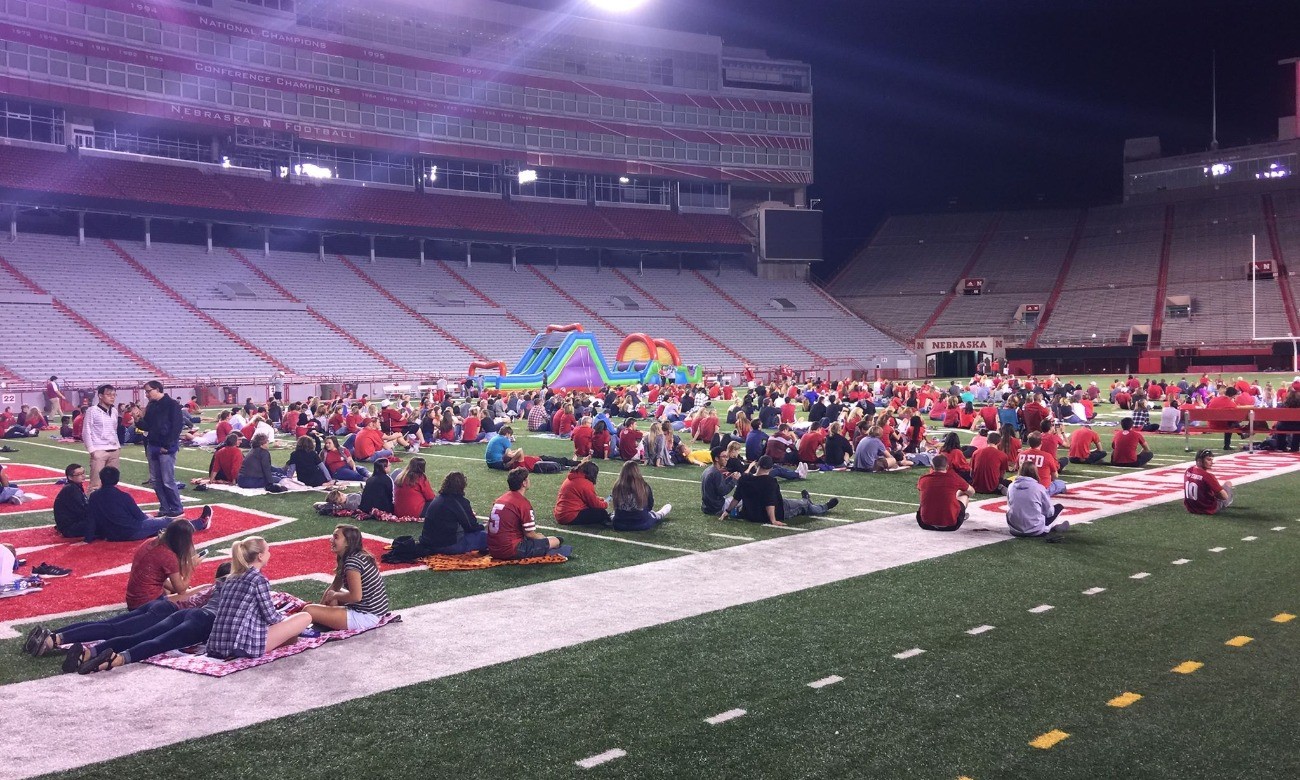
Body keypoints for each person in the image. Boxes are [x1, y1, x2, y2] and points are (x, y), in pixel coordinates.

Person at [39, 562, 234, 674]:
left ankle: (83, 650)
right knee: (156, 642)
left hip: (173, 609)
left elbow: (183, 594)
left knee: (121, 630)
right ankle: (115, 660)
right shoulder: (242, 586)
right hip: (191, 616)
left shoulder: (213, 587)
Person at [204, 536, 312, 659]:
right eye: (268, 551)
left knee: (289, 634)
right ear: (260, 556)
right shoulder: (258, 580)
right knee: (305, 617)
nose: (269, 554)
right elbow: (271, 617)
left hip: (216, 644)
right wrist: (286, 618)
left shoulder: (230, 579)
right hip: (243, 645)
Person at [87, 467, 212, 542]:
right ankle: (201, 523)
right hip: (131, 531)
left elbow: (91, 518)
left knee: (158, 525)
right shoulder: (123, 496)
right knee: (168, 521)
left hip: (111, 534)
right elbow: (140, 518)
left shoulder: (93, 496)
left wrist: (87, 539)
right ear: (117, 479)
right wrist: (149, 517)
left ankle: (159, 530)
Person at [302, 524, 390, 631]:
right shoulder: (352, 556)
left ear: (347, 542)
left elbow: (356, 597)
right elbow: (334, 586)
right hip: (372, 611)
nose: (331, 540)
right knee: (329, 602)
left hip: (366, 616)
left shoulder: (352, 562)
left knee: (308, 611)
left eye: (336, 537)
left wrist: (334, 596)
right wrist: (322, 607)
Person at [487, 468, 572, 559]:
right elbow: (530, 534)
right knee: (557, 540)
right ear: (524, 483)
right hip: (511, 549)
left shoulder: (500, 499)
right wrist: (542, 538)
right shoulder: (521, 503)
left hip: (493, 549)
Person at [733, 456, 837, 527]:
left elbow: (736, 497)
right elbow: (770, 502)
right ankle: (823, 506)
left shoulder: (744, 479)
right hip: (778, 510)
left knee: (795, 502)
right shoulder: (770, 481)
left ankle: (806, 500)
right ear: (770, 468)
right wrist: (773, 520)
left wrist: (727, 511)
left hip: (751, 515)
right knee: (805, 506)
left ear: (757, 465)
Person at [136, 380, 186, 519]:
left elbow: (177, 427)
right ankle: (164, 507)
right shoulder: (151, 406)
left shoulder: (172, 404)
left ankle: (176, 508)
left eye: (148, 391)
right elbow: (147, 426)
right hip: (152, 445)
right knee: (156, 480)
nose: (146, 394)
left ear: (157, 389)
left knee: (167, 479)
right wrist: (137, 419)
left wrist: (168, 446)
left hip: (165, 446)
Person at [124, 519, 198, 610]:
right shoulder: (168, 555)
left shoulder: (150, 541)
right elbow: (181, 590)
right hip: (148, 605)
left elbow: (156, 577)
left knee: (170, 585)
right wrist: (191, 567)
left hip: (133, 602)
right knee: (202, 591)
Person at [419, 472, 488, 554]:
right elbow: (471, 527)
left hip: (429, 543)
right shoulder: (460, 502)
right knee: (486, 536)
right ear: (463, 485)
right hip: (447, 546)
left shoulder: (437, 499)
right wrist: (483, 526)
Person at [1005, 461, 1069, 539]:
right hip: (1035, 530)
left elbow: (1010, 505)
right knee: (1059, 507)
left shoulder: (1011, 486)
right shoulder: (1039, 488)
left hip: (1014, 529)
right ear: (1035, 472)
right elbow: (1049, 512)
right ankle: (1052, 527)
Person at [914, 454, 974, 532]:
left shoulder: (923, 479)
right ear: (947, 467)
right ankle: (959, 514)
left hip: (925, 523)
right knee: (964, 495)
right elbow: (971, 491)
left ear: (932, 467)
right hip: (951, 525)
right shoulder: (953, 478)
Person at [610, 461, 671, 531]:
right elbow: (650, 506)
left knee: (614, 514)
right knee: (655, 515)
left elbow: (615, 506)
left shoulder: (617, 487)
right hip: (641, 524)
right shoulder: (644, 486)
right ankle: (662, 512)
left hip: (619, 524)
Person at [83, 384, 120, 491]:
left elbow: (114, 429)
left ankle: (109, 506)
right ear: (100, 396)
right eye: (108, 394)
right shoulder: (92, 410)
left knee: (112, 484)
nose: (112, 397)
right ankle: (92, 506)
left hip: (114, 450)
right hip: (99, 451)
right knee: (96, 484)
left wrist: (117, 447)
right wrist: (92, 451)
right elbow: (86, 431)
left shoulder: (114, 411)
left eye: (114, 395)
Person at [554, 460, 612, 526]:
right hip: (569, 516)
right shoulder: (585, 483)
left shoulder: (572, 478)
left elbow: (583, 497)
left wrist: (598, 499)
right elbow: (595, 505)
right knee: (601, 513)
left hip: (560, 514)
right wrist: (605, 504)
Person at [1183, 449, 1234, 515]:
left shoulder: (1189, 470)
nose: (1212, 462)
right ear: (1199, 461)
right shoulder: (1207, 476)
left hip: (1190, 507)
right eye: (1208, 460)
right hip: (1207, 508)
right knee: (1228, 484)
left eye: (1211, 460)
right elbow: (1224, 497)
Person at [54, 463, 90, 538]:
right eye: (79, 474)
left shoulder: (74, 487)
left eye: (83, 473)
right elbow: (82, 511)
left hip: (69, 525)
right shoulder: (71, 490)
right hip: (69, 528)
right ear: (70, 477)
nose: (83, 476)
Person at [701, 446, 741, 516]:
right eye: (724, 457)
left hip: (707, 507)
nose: (726, 459)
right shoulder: (716, 473)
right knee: (742, 498)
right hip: (717, 508)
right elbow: (723, 491)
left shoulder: (708, 470)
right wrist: (734, 480)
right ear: (716, 458)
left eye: (727, 457)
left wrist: (730, 478)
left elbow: (718, 486)